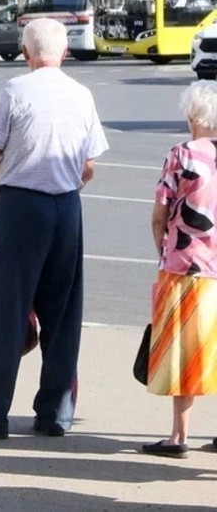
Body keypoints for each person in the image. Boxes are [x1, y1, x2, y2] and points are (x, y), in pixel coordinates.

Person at [0, 17, 108, 439]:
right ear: (64, 52)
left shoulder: (16, 91)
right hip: (66, 208)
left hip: (20, 206)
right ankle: (56, 412)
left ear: (27, 53)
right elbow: (89, 166)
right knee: (64, 313)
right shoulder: (82, 95)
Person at [141, 80, 217, 458]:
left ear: (193, 115)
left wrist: (163, 253)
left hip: (186, 267)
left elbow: (160, 214)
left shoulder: (182, 154)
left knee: (185, 352)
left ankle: (179, 436)